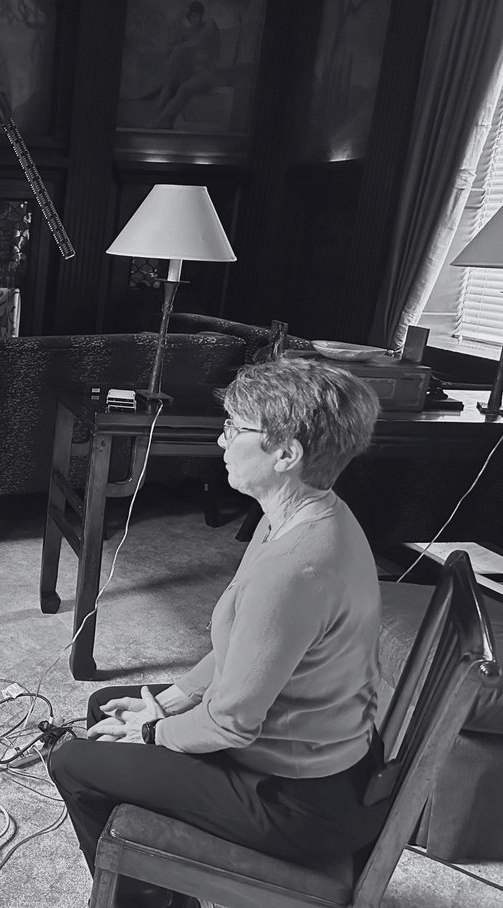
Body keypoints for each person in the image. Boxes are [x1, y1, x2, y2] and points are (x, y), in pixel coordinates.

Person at [48, 358, 387, 906]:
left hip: (299, 803)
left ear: (285, 454)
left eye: (234, 427)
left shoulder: (295, 568)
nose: (221, 439)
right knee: (111, 703)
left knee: (73, 760)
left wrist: (154, 733)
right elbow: (239, 645)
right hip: (321, 762)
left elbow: (231, 724)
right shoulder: (305, 515)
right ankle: (161, 881)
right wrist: (172, 700)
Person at [153, 1, 221, 130]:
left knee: (183, 89)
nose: (193, 19)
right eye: (190, 16)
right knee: (176, 53)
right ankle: (165, 91)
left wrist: (180, 47)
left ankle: (160, 121)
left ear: (201, 16)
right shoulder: (187, 32)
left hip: (207, 73)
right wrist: (170, 48)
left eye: (196, 16)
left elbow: (199, 40)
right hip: (191, 72)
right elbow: (176, 47)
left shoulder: (210, 25)